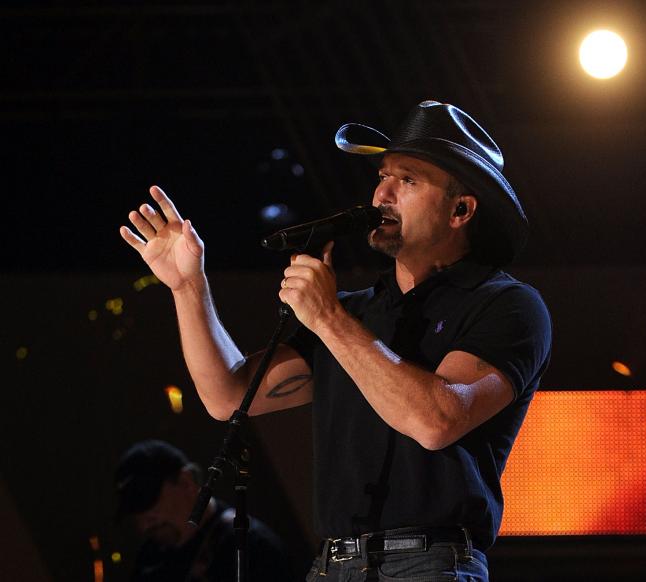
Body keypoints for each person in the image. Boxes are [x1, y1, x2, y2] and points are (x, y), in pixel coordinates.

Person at [120, 100, 552, 581]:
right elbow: (227, 396)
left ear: (461, 209)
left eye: (407, 180)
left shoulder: (506, 306)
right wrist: (188, 287)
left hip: (427, 564)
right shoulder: (356, 311)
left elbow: (436, 421)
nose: (381, 193)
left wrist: (327, 318)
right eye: (382, 175)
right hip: (332, 565)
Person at [114, 439, 292, 581]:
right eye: (134, 511)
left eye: (148, 501)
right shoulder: (149, 560)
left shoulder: (250, 548)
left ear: (186, 482)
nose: (145, 521)